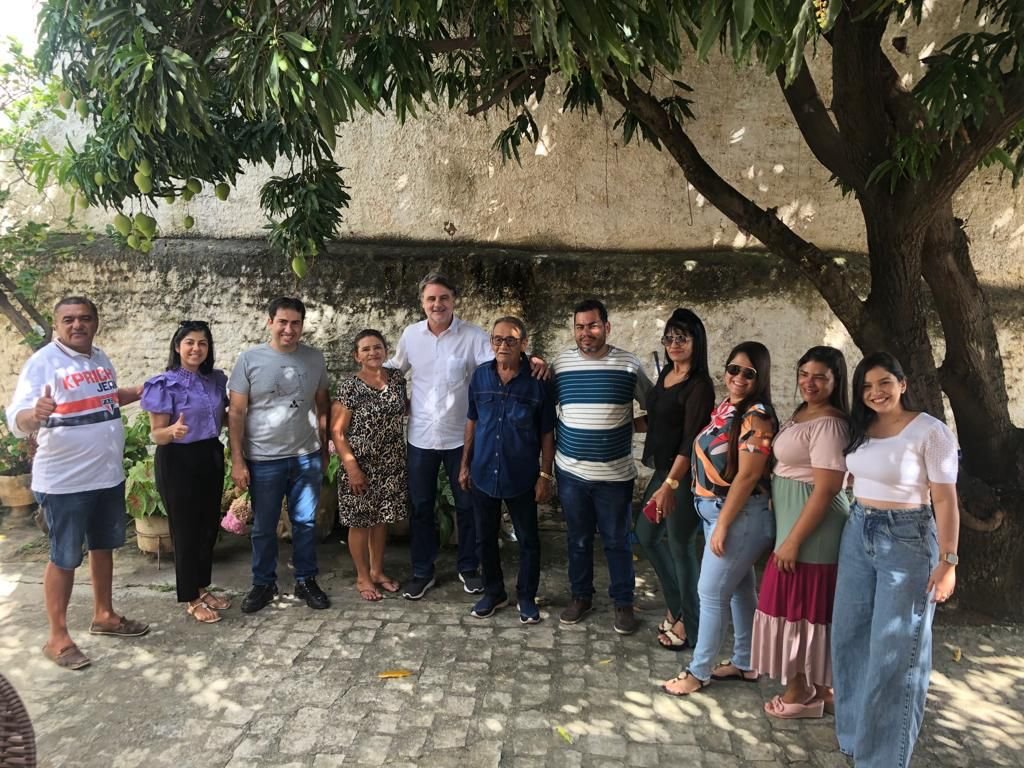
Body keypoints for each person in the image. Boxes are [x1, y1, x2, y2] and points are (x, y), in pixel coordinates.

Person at [831, 352, 959, 767]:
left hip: (908, 538)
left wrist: (948, 561)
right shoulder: (862, 428)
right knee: (849, 637)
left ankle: (882, 759)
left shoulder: (930, 431)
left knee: (896, 650)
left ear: (902, 384)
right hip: (858, 529)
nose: (875, 392)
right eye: (866, 386)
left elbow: (945, 499)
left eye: (884, 382)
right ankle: (856, 739)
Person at [7, 296, 148, 670]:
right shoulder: (43, 363)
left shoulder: (100, 359)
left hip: (106, 475)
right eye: (68, 319)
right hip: (64, 482)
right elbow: (17, 416)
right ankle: (57, 637)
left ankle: (105, 615)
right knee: (65, 556)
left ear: (96, 322)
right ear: (56, 324)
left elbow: (106, 399)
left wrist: (138, 391)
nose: (77, 325)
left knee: (104, 546)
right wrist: (34, 414)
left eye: (85, 318)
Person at [662, 341, 777, 696]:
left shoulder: (757, 416)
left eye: (748, 373)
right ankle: (746, 662)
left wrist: (724, 523)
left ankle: (698, 671)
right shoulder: (729, 408)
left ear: (760, 377)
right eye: (733, 369)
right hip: (721, 513)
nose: (739, 377)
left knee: (710, 593)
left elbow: (748, 475)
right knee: (740, 591)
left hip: (739, 516)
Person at [750, 346, 851, 717]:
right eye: (804, 374)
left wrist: (793, 540)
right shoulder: (804, 413)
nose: (810, 382)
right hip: (795, 518)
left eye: (820, 376)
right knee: (807, 607)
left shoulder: (830, 424)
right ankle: (821, 688)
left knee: (800, 606)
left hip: (813, 527)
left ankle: (799, 691)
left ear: (836, 381)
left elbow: (827, 489)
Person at [386, 273, 491, 600]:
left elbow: (497, 366)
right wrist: (364, 375)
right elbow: (394, 369)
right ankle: (422, 571)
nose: (437, 304)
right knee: (421, 506)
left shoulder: (473, 336)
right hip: (420, 437)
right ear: (422, 303)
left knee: (467, 505)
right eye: (431, 299)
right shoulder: (411, 335)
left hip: (461, 438)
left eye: (443, 298)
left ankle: (469, 567)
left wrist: (534, 362)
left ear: (454, 300)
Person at [552, 298, 653, 634]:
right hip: (571, 474)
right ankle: (581, 597)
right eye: (580, 327)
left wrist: (630, 426)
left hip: (615, 477)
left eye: (593, 325)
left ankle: (624, 602)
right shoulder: (560, 365)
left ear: (606, 327)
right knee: (578, 540)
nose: (586, 332)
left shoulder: (628, 365)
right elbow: (543, 407)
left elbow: (656, 410)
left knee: (617, 541)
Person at [229, 297, 331, 613]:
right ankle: (263, 583)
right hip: (263, 459)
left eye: (295, 323)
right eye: (282, 322)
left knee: (305, 523)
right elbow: (236, 412)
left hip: (305, 456)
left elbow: (322, 406)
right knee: (264, 527)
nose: (289, 329)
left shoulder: (314, 359)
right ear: (269, 322)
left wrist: (324, 449)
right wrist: (237, 460)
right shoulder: (249, 360)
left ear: (302, 325)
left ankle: (305, 580)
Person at [458, 316, 556, 623]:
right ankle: (494, 592)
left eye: (511, 340)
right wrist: (464, 464)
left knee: (528, 540)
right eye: (498, 339)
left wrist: (545, 475)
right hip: (483, 471)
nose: (503, 345)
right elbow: (472, 421)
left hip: (521, 475)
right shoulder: (480, 377)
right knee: (485, 538)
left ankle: (526, 596)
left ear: (523, 343)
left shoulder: (538, 381)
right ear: (491, 343)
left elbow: (547, 433)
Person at [636, 308, 716, 651]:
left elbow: (690, 439)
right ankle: (678, 607)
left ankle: (691, 627)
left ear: (697, 341)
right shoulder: (668, 373)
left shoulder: (699, 386)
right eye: (669, 338)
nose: (673, 344)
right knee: (646, 535)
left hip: (682, 475)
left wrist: (669, 485)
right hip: (664, 471)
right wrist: (625, 426)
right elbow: (657, 418)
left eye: (681, 338)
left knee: (680, 546)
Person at [141, 321, 231, 624]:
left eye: (202, 343)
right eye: (190, 342)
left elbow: (224, 417)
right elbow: (156, 434)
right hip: (178, 459)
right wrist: (172, 431)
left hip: (210, 454)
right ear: (178, 347)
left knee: (207, 527)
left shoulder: (215, 380)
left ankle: (202, 588)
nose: (196, 348)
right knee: (186, 529)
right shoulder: (163, 384)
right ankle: (190, 597)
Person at [330, 329, 408, 601]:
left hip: (390, 462)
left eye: (377, 347)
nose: (373, 352)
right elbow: (337, 431)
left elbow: (404, 409)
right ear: (357, 356)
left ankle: (377, 571)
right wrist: (352, 468)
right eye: (366, 349)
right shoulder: (350, 386)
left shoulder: (396, 379)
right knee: (360, 522)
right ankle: (362, 577)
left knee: (381, 519)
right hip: (360, 464)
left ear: (386, 350)